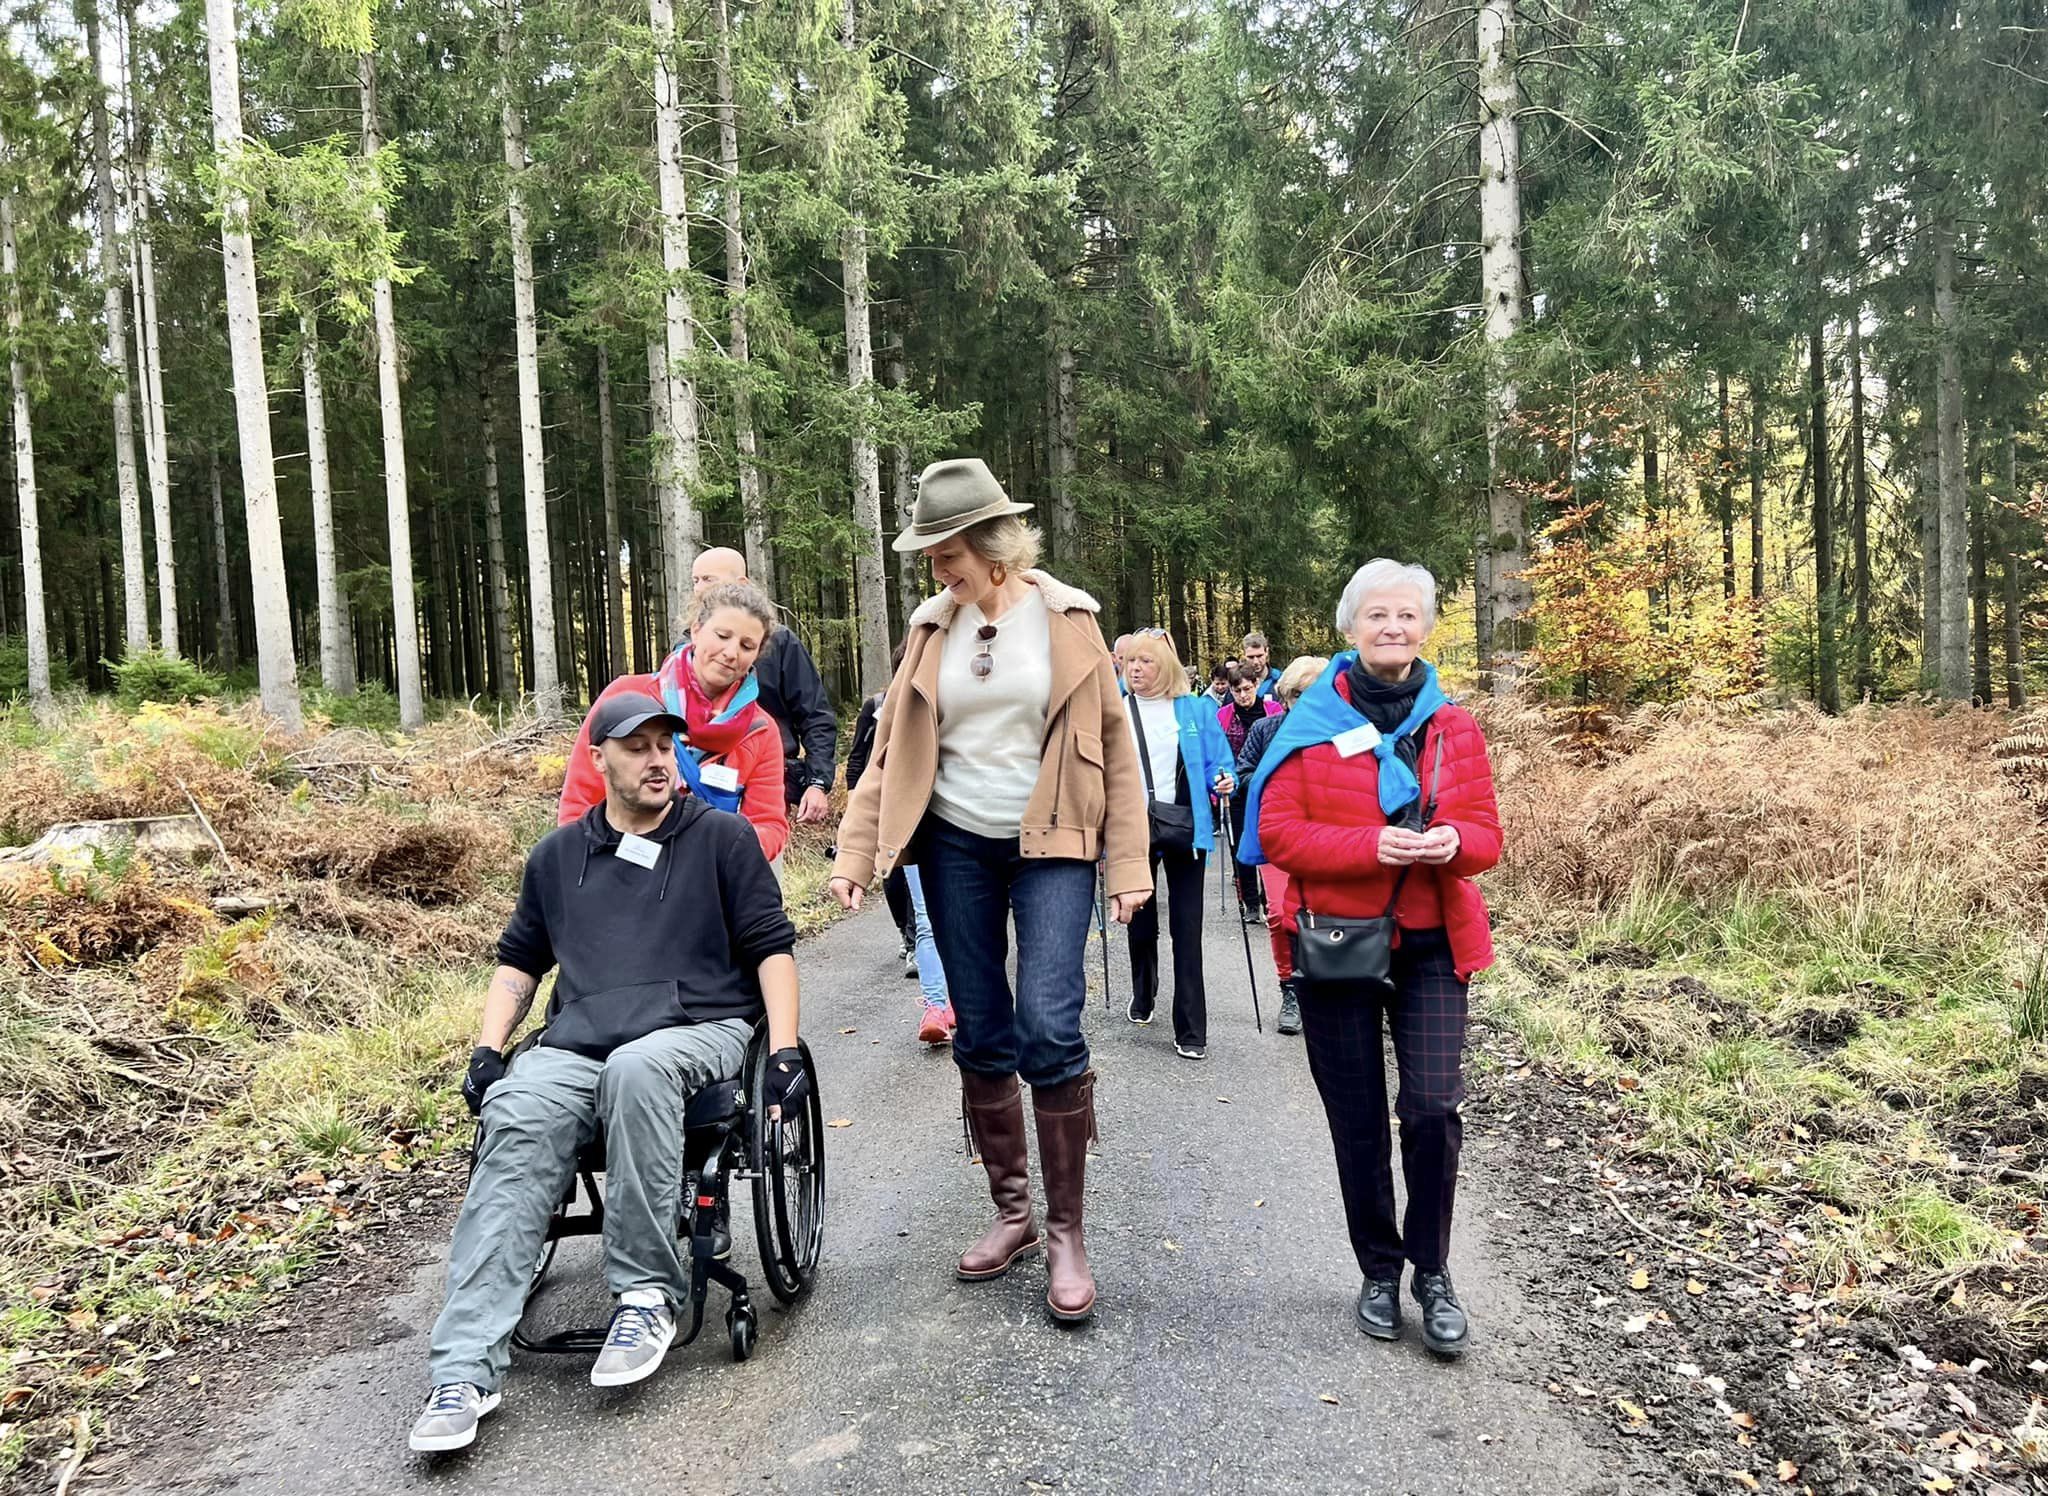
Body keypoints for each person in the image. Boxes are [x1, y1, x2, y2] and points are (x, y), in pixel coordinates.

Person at [412, 691, 802, 1452]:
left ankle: (646, 1295)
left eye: (667, 746)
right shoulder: (557, 858)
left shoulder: (722, 840)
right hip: (577, 1041)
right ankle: (462, 1370)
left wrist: (782, 1052)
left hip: (701, 1031)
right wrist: (490, 1049)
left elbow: (772, 950)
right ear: (599, 760)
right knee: (519, 1108)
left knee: (639, 1067)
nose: (658, 760)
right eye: (638, 747)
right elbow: (519, 963)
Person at [829, 456, 1150, 1324]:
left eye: (946, 552)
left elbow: (1116, 752)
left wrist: (1128, 867)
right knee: (980, 1024)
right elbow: (888, 753)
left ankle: (1067, 1233)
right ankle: (1012, 1213)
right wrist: (858, 855)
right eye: (931, 556)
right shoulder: (932, 629)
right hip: (954, 844)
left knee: (1050, 1020)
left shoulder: (1068, 620)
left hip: (1053, 843)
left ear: (992, 544)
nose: (937, 570)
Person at [1239, 560, 1501, 1360]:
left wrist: (1454, 842)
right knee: (1356, 1123)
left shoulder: (1452, 725)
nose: (1393, 627)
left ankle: (1434, 1270)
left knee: (1431, 1111)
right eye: (1378, 615)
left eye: (1407, 615)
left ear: (1424, 627)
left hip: (1431, 943)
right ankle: (1379, 1270)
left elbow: (1487, 835)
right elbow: (1277, 834)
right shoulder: (1312, 719)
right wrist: (1370, 846)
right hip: (1340, 944)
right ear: (1351, 628)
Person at [558, 584, 789, 865]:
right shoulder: (627, 695)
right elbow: (578, 800)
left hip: (708, 883)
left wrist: (713, 850)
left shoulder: (760, 730)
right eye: (722, 636)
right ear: (696, 630)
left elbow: (769, 825)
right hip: (620, 870)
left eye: (746, 645)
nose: (731, 653)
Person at [1120, 630, 1237, 1060]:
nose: (1135, 668)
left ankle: (1191, 1029)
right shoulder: (1115, 710)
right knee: (1141, 920)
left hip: (1188, 828)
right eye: (1131, 661)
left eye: (1146, 661)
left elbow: (1218, 762)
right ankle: (1144, 991)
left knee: (1187, 929)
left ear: (1165, 666)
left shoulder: (1194, 710)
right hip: (1132, 828)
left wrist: (1225, 779)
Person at [847, 651, 955, 1045]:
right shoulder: (882, 707)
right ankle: (936, 1005)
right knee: (925, 918)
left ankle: (951, 1000)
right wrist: (861, 823)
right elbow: (866, 764)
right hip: (909, 825)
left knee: (956, 918)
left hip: (961, 829)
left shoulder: (959, 698)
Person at [690, 547, 837, 826]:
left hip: (765, 782)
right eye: (695, 581)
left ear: (742, 583)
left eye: (709, 579)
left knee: (758, 863)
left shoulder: (779, 642)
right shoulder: (684, 649)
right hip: (691, 784)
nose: (699, 589)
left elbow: (815, 715)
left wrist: (818, 782)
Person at [1233, 654, 1327, 1036]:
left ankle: (1327, 985)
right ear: (1287, 696)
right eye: (1300, 694)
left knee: (1325, 913)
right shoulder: (1268, 730)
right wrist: (1279, 780)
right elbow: (1243, 773)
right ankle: (1289, 989)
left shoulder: (1340, 730)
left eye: (1316, 693)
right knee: (1279, 914)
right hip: (1277, 834)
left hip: (1326, 836)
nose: (1307, 701)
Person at [1217, 665, 1282, 924]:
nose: (1243, 695)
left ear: (1256, 685)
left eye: (1247, 688)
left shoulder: (1273, 711)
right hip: (1236, 788)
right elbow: (1219, 751)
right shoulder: (1223, 715)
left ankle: (1270, 898)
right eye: (1237, 690)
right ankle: (1251, 903)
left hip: (1267, 786)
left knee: (1268, 842)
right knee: (1241, 846)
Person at [1241, 632, 1282, 700]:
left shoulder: (1280, 679)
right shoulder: (1237, 682)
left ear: (1266, 652)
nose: (1255, 662)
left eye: (1259, 656)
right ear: (1244, 655)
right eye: (1251, 657)